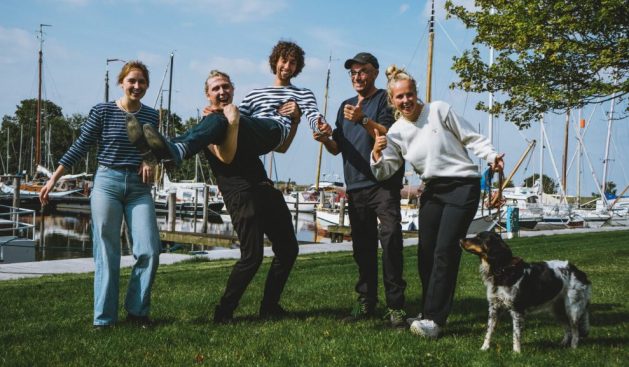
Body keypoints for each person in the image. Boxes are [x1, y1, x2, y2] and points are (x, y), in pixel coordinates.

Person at [371, 65, 505, 338]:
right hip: (432, 190)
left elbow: (472, 137)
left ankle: (435, 320)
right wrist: (376, 154)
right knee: (426, 253)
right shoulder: (396, 132)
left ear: (416, 93)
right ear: (392, 100)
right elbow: (386, 170)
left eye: (409, 94)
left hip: (462, 185)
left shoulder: (439, 110)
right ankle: (427, 310)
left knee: (446, 250)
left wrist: (491, 156)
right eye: (400, 97)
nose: (406, 101)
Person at [39, 61, 162, 329]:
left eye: (142, 82)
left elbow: (151, 150)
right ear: (122, 82)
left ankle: (137, 312)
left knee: (150, 249)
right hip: (107, 182)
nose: (137, 86)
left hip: (139, 189)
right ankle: (104, 319)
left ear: (147, 86)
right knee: (107, 251)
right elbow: (80, 145)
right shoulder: (103, 111)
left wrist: (148, 162)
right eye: (132, 81)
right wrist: (53, 179)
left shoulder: (152, 116)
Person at [313, 52, 407, 328]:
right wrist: (325, 138)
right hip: (355, 187)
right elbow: (337, 148)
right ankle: (366, 302)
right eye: (353, 73)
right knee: (362, 248)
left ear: (375, 72)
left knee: (390, 239)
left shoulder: (385, 100)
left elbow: (387, 135)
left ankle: (396, 307)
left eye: (362, 71)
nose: (357, 77)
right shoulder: (345, 106)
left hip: (383, 184)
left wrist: (363, 119)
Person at [199, 70, 299, 324]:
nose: (222, 92)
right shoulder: (209, 126)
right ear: (208, 95)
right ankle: (223, 312)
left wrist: (295, 121)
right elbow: (227, 157)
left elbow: (282, 146)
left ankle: (269, 307)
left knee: (288, 250)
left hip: (265, 187)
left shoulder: (243, 120)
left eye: (226, 87)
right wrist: (231, 122)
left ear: (233, 89)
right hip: (240, 193)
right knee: (252, 257)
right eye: (216, 89)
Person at [128, 40, 325, 166]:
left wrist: (321, 126)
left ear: (297, 67)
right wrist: (216, 114)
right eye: (284, 61)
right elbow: (238, 118)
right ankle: (169, 149)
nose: (287, 66)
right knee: (220, 118)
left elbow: (313, 115)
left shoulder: (302, 93)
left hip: (273, 130)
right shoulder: (255, 93)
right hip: (250, 137)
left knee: (220, 116)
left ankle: (176, 148)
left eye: (293, 63)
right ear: (276, 61)